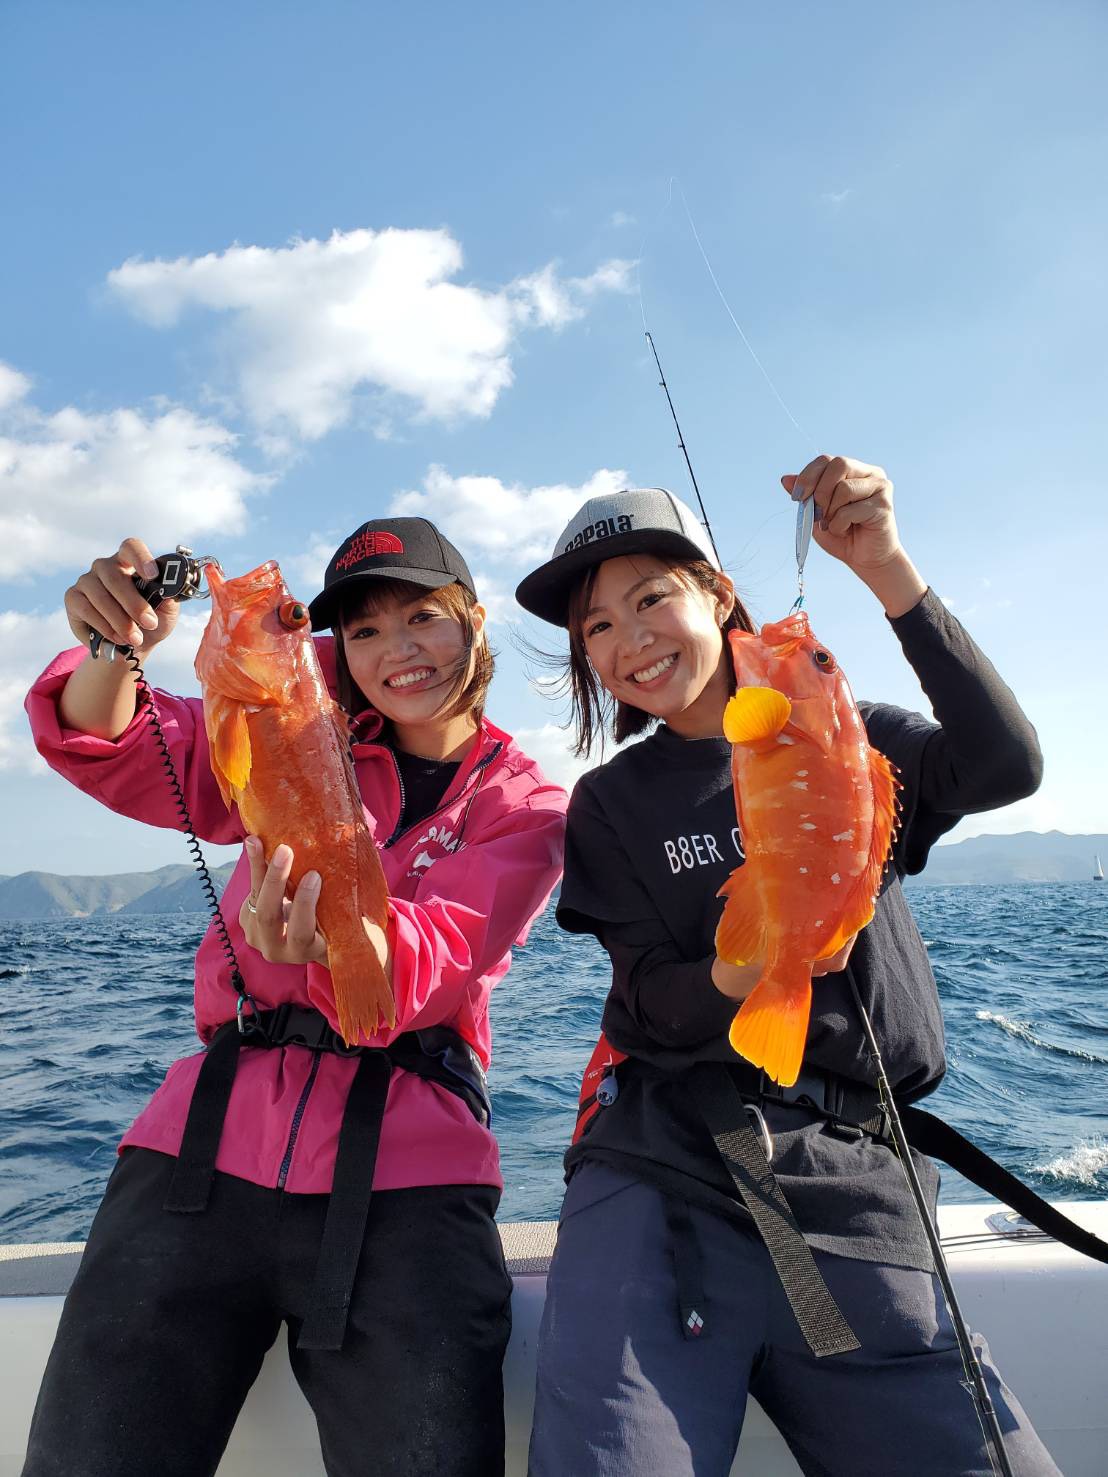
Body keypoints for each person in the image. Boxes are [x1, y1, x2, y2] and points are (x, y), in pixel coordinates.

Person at [514, 462, 1061, 1476]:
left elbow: (1004, 765)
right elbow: (644, 1005)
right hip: (664, 1174)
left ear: (716, 594)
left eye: (650, 598)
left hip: (849, 1176)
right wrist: (749, 967)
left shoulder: (843, 734)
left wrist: (884, 568)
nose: (629, 639)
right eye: (595, 626)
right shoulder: (610, 802)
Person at [22, 516, 567, 1477]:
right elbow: (125, 739)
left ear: (474, 620)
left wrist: (330, 946)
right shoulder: (285, 719)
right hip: (198, 1153)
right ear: (335, 649)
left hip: (411, 1178)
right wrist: (111, 649)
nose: (398, 650)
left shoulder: (524, 804)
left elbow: (441, 951)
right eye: (362, 631)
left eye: (424, 617)